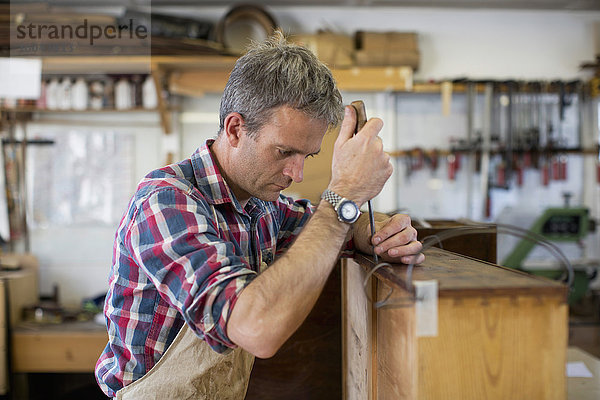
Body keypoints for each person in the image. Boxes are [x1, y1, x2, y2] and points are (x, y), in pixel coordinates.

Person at [95, 32, 424, 399]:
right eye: (284, 152)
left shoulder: (263, 205)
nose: (297, 174)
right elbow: (257, 328)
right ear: (236, 129)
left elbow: (328, 227)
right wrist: (343, 196)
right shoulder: (165, 203)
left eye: (308, 156)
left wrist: (373, 230)